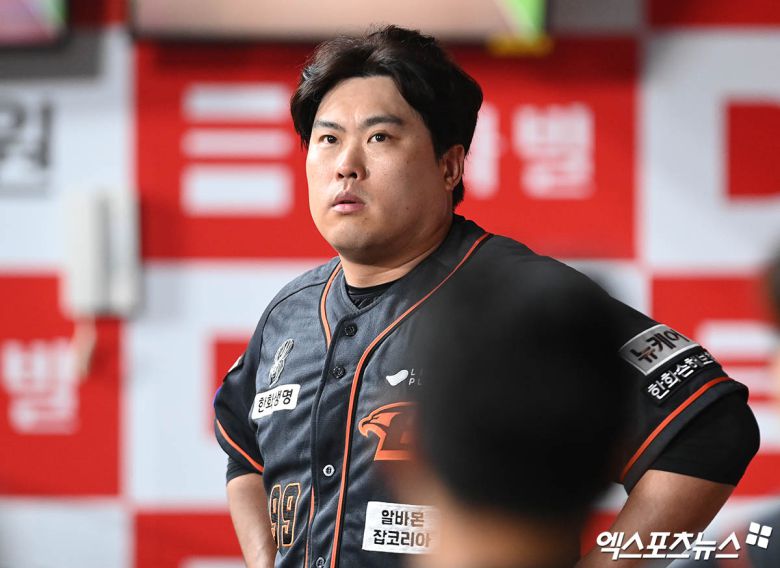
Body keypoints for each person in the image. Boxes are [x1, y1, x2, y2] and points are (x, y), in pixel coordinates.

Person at [213, 25, 759, 568]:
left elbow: (710, 428)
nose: (345, 165)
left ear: (449, 166)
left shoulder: (512, 299)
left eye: (379, 137)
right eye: (328, 139)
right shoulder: (290, 312)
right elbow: (243, 448)